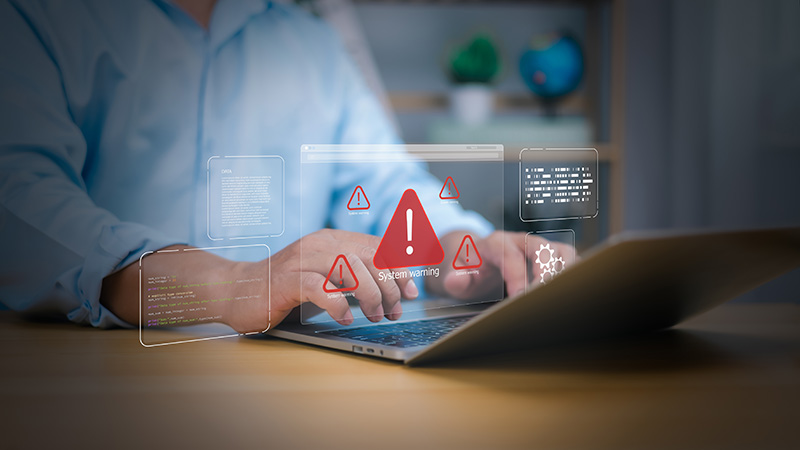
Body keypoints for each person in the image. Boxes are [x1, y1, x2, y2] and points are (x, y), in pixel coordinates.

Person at [0, 0, 572, 332]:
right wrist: (233, 285)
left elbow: (389, 182)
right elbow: (22, 212)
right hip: (92, 384)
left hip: (287, 386)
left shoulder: (312, 42)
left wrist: (463, 249)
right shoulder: (36, 16)